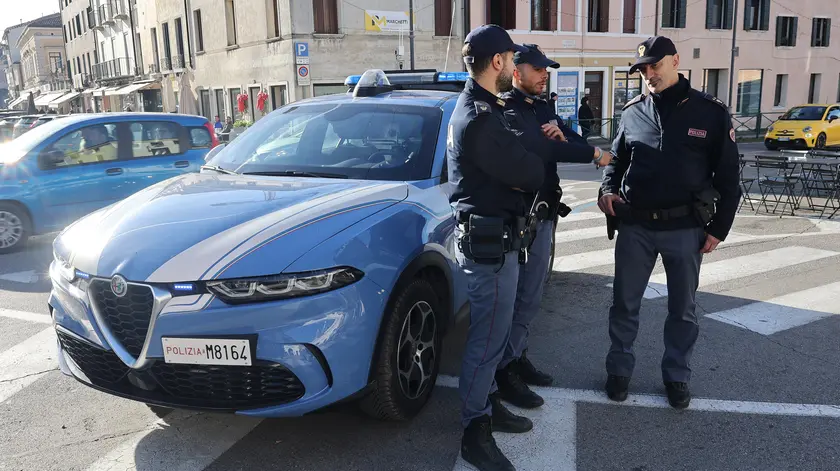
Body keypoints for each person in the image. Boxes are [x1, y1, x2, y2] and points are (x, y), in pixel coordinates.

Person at [597, 36, 741, 409]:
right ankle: (619, 371)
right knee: (624, 303)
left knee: (683, 309)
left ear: (676, 61)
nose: (649, 74)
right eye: (643, 68)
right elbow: (616, 161)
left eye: (655, 65)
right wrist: (607, 190)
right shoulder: (632, 111)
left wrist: (718, 230)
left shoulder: (709, 112)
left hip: (684, 228)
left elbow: (728, 178)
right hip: (636, 227)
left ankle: (677, 376)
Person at [448, 25, 546, 471]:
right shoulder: (480, 117)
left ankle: (485, 404)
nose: (514, 63)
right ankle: (474, 431)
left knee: (495, 336)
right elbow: (529, 172)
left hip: (498, 241)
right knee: (486, 342)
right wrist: (529, 162)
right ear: (497, 63)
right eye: (510, 57)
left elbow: (520, 165)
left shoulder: (486, 107)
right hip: (488, 245)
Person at [495, 43, 611, 410]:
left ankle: (517, 356)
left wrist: (570, 141)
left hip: (543, 215)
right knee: (516, 299)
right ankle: (504, 371)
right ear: (517, 71)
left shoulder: (542, 107)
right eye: (538, 69)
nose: (545, 74)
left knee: (531, 297)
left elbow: (568, 138)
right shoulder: (507, 110)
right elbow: (542, 149)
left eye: (547, 69)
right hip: (519, 218)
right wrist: (593, 154)